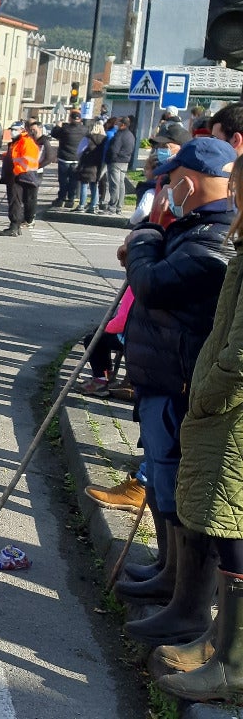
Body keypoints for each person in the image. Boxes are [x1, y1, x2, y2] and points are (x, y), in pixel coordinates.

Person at [112, 137, 238, 656]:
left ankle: (189, 606)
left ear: (188, 182)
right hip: (167, 374)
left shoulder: (213, 238)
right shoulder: (193, 229)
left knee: (189, 491)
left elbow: (155, 285)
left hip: (188, 381)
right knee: (166, 477)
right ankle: (169, 574)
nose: (165, 189)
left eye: (171, 180)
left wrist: (143, 241)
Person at [160, 146, 243, 702]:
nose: (234, 192)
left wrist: (208, 394)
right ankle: (220, 643)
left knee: (235, 531)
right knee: (226, 524)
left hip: (233, 416)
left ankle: (232, 667)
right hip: (227, 412)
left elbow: (240, 353)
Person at [0, 124, 40, 236]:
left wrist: (16, 170)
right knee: (15, 201)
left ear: (22, 130)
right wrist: (5, 156)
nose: (12, 132)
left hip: (19, 175)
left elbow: (27, 160)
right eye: (11, 130)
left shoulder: (25, 141)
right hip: (16, 175)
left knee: (15, 201)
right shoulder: (17, 141)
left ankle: (14, 227)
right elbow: (15, 155)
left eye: (15, 130)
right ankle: (16, 226)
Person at [51, 111, 88, 206]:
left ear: (70, 118)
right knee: (74, 180)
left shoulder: (65, 129)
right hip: (77, 159)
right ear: (79, 119)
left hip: (64, 158)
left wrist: (57, 125)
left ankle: (62, 198)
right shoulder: (85, 129)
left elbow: (54, 134)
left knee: (63, 180)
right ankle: (71, 198)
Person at [103, 116, 137, 215]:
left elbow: (114, 149)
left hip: (116, 162)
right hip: (125, 161)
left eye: (118, 123)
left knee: (114, 184)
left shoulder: (119, 135)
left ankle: (112, 206)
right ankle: (119, 206)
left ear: (123, 125)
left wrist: (110, 159)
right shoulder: (131, 135)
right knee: (121, 184)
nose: (116, 125)